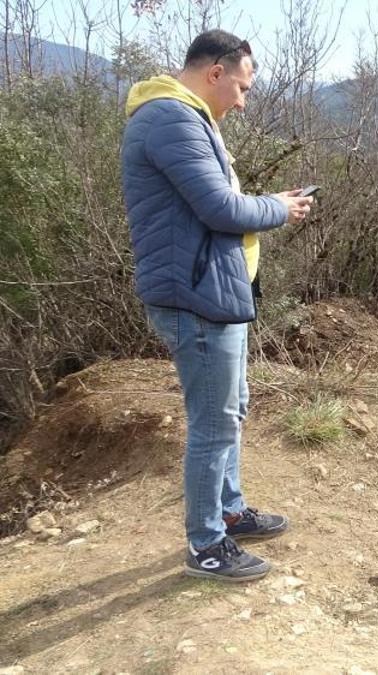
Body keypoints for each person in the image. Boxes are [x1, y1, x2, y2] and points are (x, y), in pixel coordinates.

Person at [121, 29, 313, 582]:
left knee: (230, 411)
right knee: (212, 424)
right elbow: (220, 208)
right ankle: (206, 544)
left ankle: (229, 510)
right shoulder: (171, 120)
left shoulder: (185, 118)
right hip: (196, 296)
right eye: (242, 86)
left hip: (210, 291)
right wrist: (278, 207)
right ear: (216, 73)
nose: (242, 99)